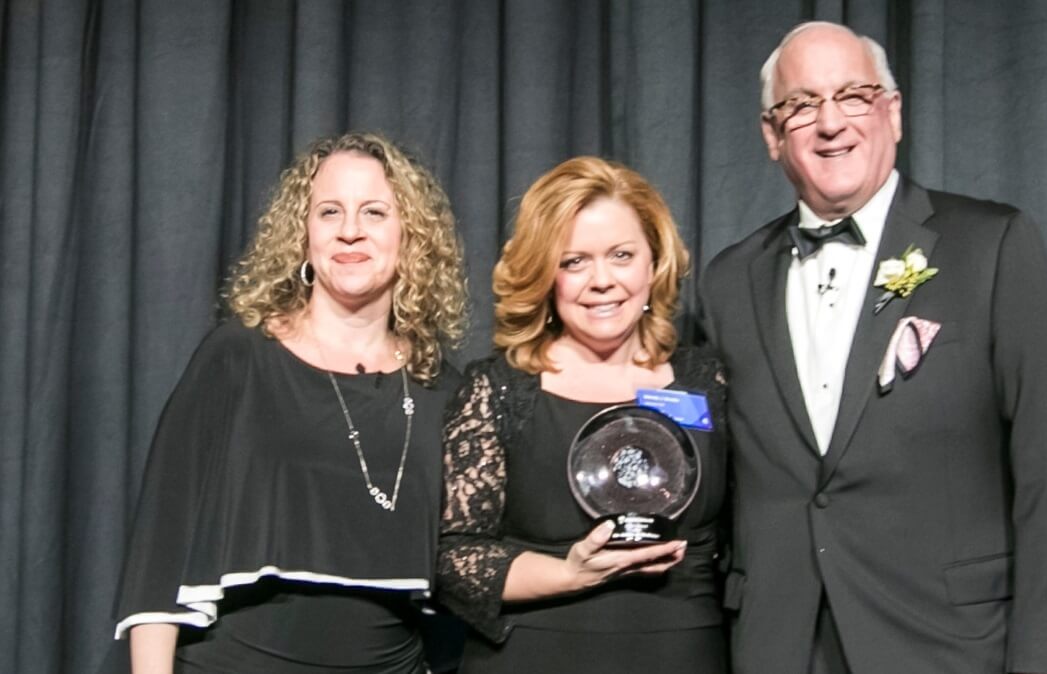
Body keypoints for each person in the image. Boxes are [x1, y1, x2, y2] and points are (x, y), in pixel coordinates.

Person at [700, 21, 1047, 674]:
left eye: (854, 95)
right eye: (802, 105)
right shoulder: (726, 281)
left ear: (892, 114)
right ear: (772, 136)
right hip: (779, 649)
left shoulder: (991, 246)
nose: (830, 122)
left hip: (951, 649)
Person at [113, 132, 467, 673]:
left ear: (412, 236)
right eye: (329, 212)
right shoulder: (240, 357)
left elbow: (466, 566)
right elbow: (161, 545)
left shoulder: (441, 387)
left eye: (374, 212)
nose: (350, 231)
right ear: (302, 234)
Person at [436, 156, 728, 674]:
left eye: (621, 255)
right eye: (574, 261)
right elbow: (454, 558)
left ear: (653, 261)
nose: (601, 280)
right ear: (545, 276)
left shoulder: (707, 381)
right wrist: (569, 573)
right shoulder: (496, 389)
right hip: (532, 653)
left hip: (681, 652)